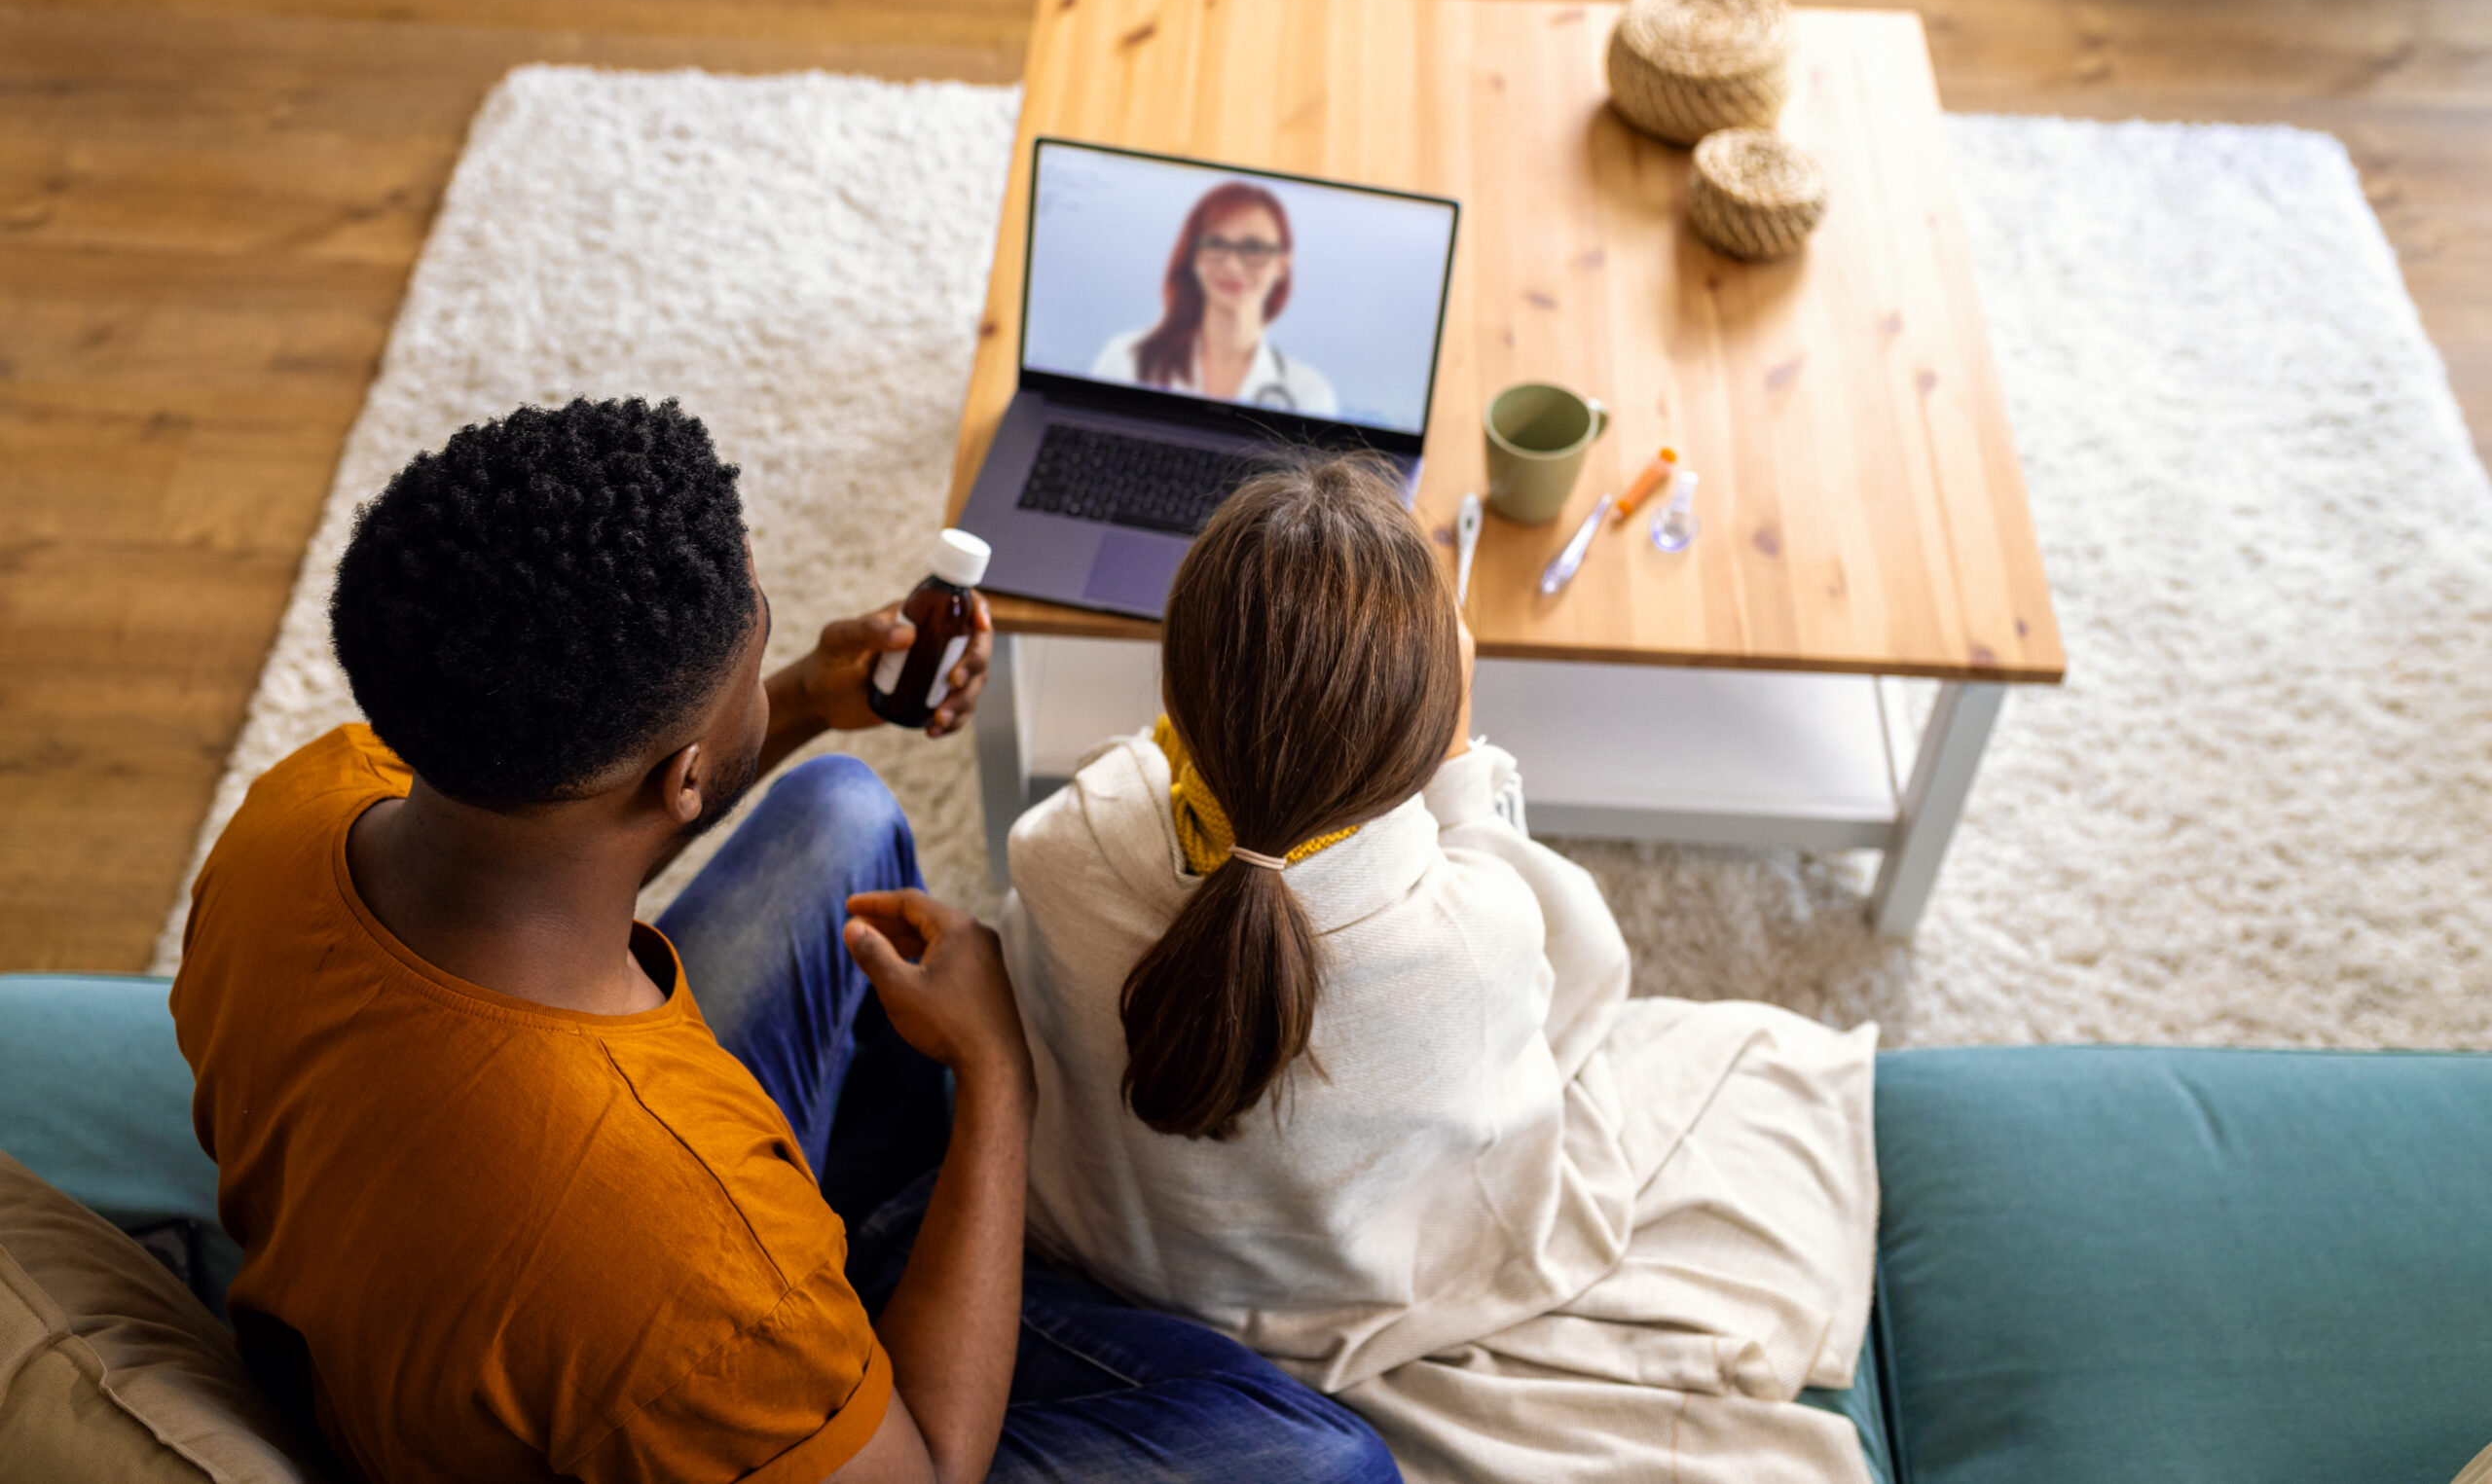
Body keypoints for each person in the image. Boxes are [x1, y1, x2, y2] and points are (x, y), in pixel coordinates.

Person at [168, 397, 1397, 1484]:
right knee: (1321, 1457)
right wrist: (996, 1078)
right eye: (758, 645)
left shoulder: (302, 804)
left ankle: (880, 1240)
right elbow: (927, 1468)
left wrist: (805, 696)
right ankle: (879, 1265)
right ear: (684, 777)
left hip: (471, 1254)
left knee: (840, 811)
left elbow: (547, 852)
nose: (772, 653)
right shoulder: (688, 1253)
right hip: (631, 1299)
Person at [998, 458, 1884, 1484]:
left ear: (1176, 688)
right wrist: (1460, 770)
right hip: (1349, 1293)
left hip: (1113, 1252)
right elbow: (1581, 999)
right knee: (1747, 1051)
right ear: (1419, 731)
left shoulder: (1060, 843)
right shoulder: (1470, 936)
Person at [1090, 180, 1339, 416]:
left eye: (1253, 248)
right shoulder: (1125, 359)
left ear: (1282, 264)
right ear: (1194, 256)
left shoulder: (1309, 394)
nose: (1232, 265)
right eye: (1216, 244)